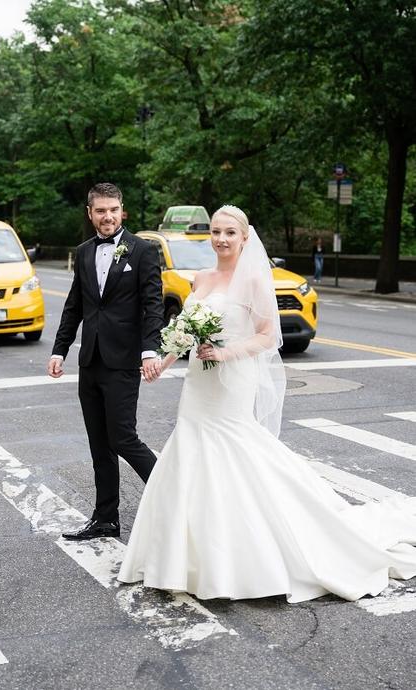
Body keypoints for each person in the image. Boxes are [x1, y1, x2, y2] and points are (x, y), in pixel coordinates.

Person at [118, 205, 416, 602]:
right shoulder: (200, 279)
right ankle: (182, 560)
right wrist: (161, 361)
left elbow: (267, 336)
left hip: (232, 380)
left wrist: (226, 354)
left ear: (244, 238)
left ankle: (247, 557)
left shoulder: (256, 280)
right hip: (198, 384)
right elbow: (185, 332)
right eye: (216, 232)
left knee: (235, 451)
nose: (221, 239)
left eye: (229, 233)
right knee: (190, 452)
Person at [48, 182, 164, 541]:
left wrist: (149, 350)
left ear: (121, 210)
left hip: (124, 360)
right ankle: (106, 518)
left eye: (113, 209)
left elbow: (153, 305)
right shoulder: (83, 252)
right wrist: (59, 349)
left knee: (124, 438)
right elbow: (74, 306)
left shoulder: (143, 250)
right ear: (90, 213)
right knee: (99, 443)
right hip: (90, 361)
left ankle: (175, 496)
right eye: (101, 210)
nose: (108, 216)